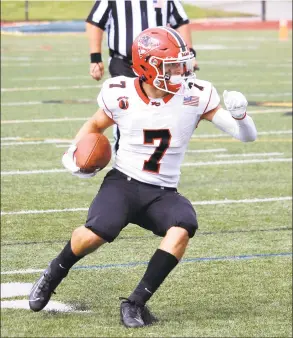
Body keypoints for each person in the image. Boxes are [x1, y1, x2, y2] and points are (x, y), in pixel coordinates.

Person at [29, 26, 257, 328]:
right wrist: (75, 155)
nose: (179, 71)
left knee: (183, 225)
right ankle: (53, 273)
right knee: (95, 234)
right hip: (123, 183)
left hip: (162, 191)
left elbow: (246, 137)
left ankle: (134, 303)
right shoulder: (121, 92)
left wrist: (242, 117)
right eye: (171, 65)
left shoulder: (195, 96)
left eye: (180, 63)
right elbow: (94, 126)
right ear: (148, 67)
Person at [86, 0, 198, 154]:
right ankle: (122, 154)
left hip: (161, 64)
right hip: (124, 62)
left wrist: (189, 53)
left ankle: (155, 155)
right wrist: (95, 58)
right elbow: (95, 23)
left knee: (161, 109)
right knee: (124, 109)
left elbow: (181, 22)